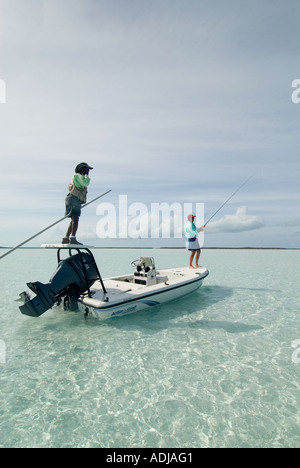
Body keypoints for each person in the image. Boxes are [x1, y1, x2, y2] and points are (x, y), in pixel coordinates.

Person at [62, 162, 93, 245]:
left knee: (73, 220)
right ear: (81, 169)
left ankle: (66, 238)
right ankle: (73, 238)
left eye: (88, 170)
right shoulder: (78, 176)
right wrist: (86, 175)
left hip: (73, 199)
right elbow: (85, 183)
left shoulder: (79, 177)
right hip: (73, 199)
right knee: (75, 219)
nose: (88, 171)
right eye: (86, 169)